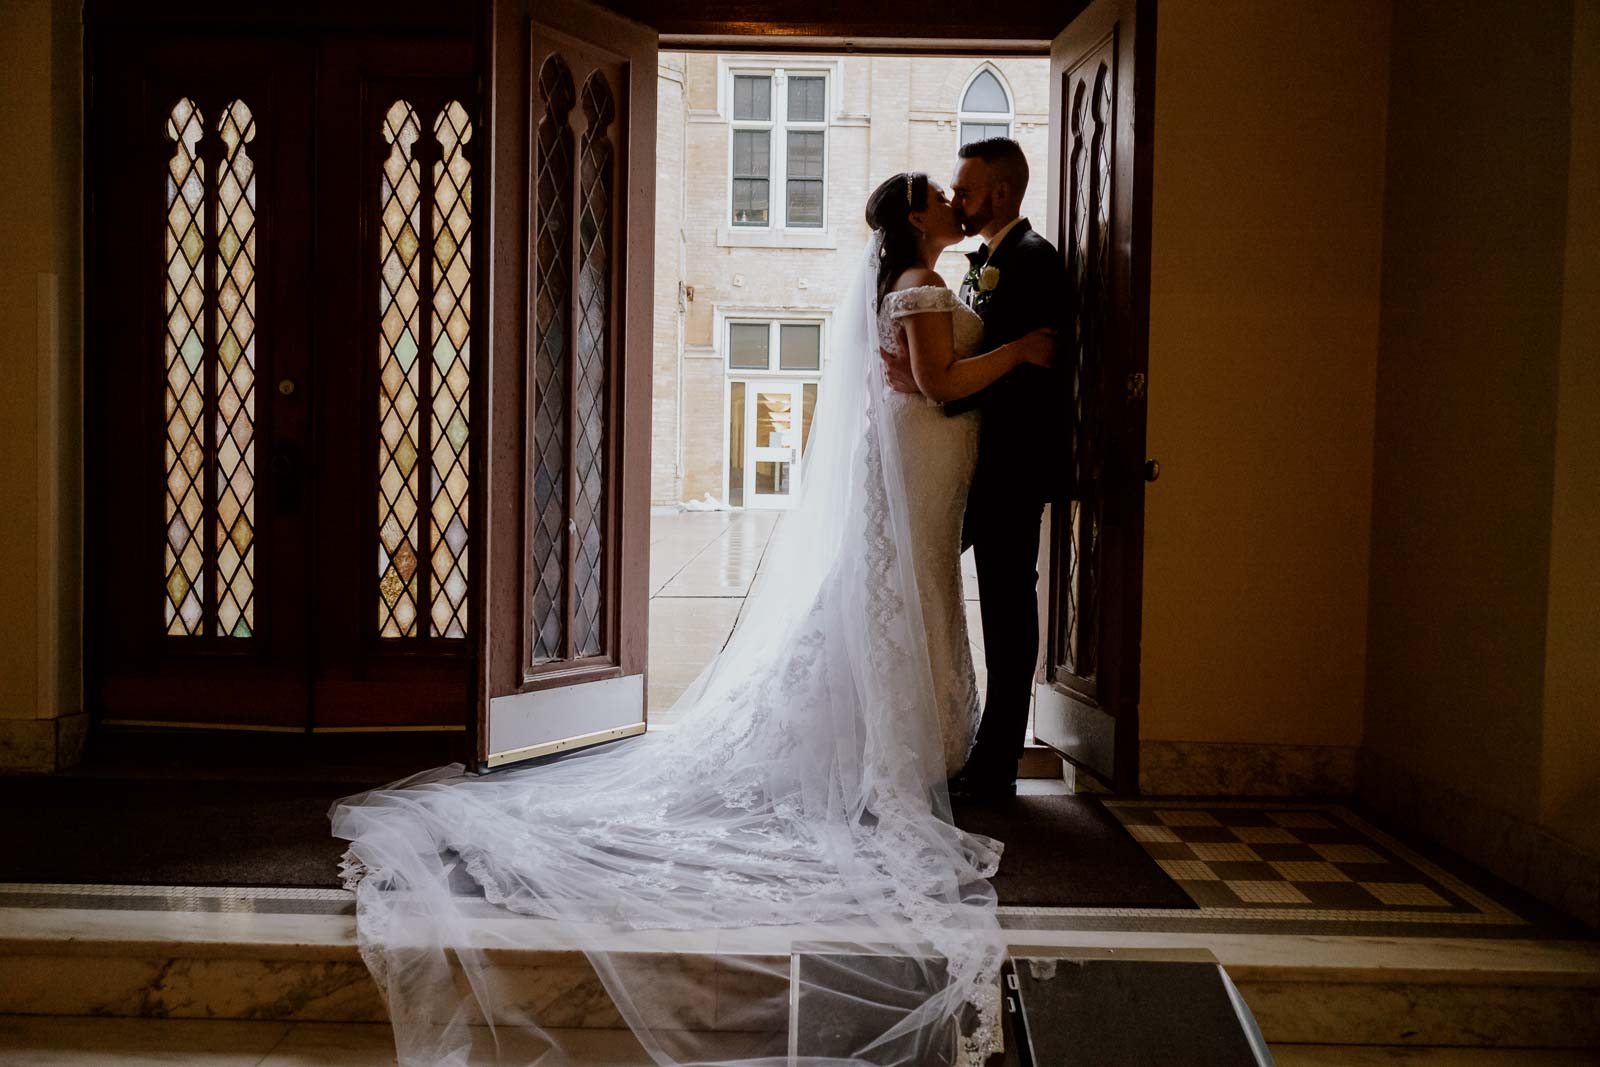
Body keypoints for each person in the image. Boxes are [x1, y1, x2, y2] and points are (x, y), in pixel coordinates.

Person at [331, 171, 1051, 1067]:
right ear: (915, 218)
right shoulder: (918, 285)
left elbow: (922, 377)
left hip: (925, 468)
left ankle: (888, 729)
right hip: (923, 461)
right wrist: (1018, 354)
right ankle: (888, 741)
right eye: (941, 195)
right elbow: (940, 381)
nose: (953, 200)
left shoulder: (908, 284)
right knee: (901, 594)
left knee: (906, 593)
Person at [882, 137, 1069, 801]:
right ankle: (960, 745)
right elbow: (970, 356)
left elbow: (1032, 374)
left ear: (1001, 192)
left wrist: (939, 381)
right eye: (950, 193)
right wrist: (935, 376)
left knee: (1008, 612)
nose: (957, 201)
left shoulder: (1032, 260)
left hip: (1012, 466)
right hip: (964, 467)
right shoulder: (978, 264)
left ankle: (997, 763)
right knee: (922, 585)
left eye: (965, 190)